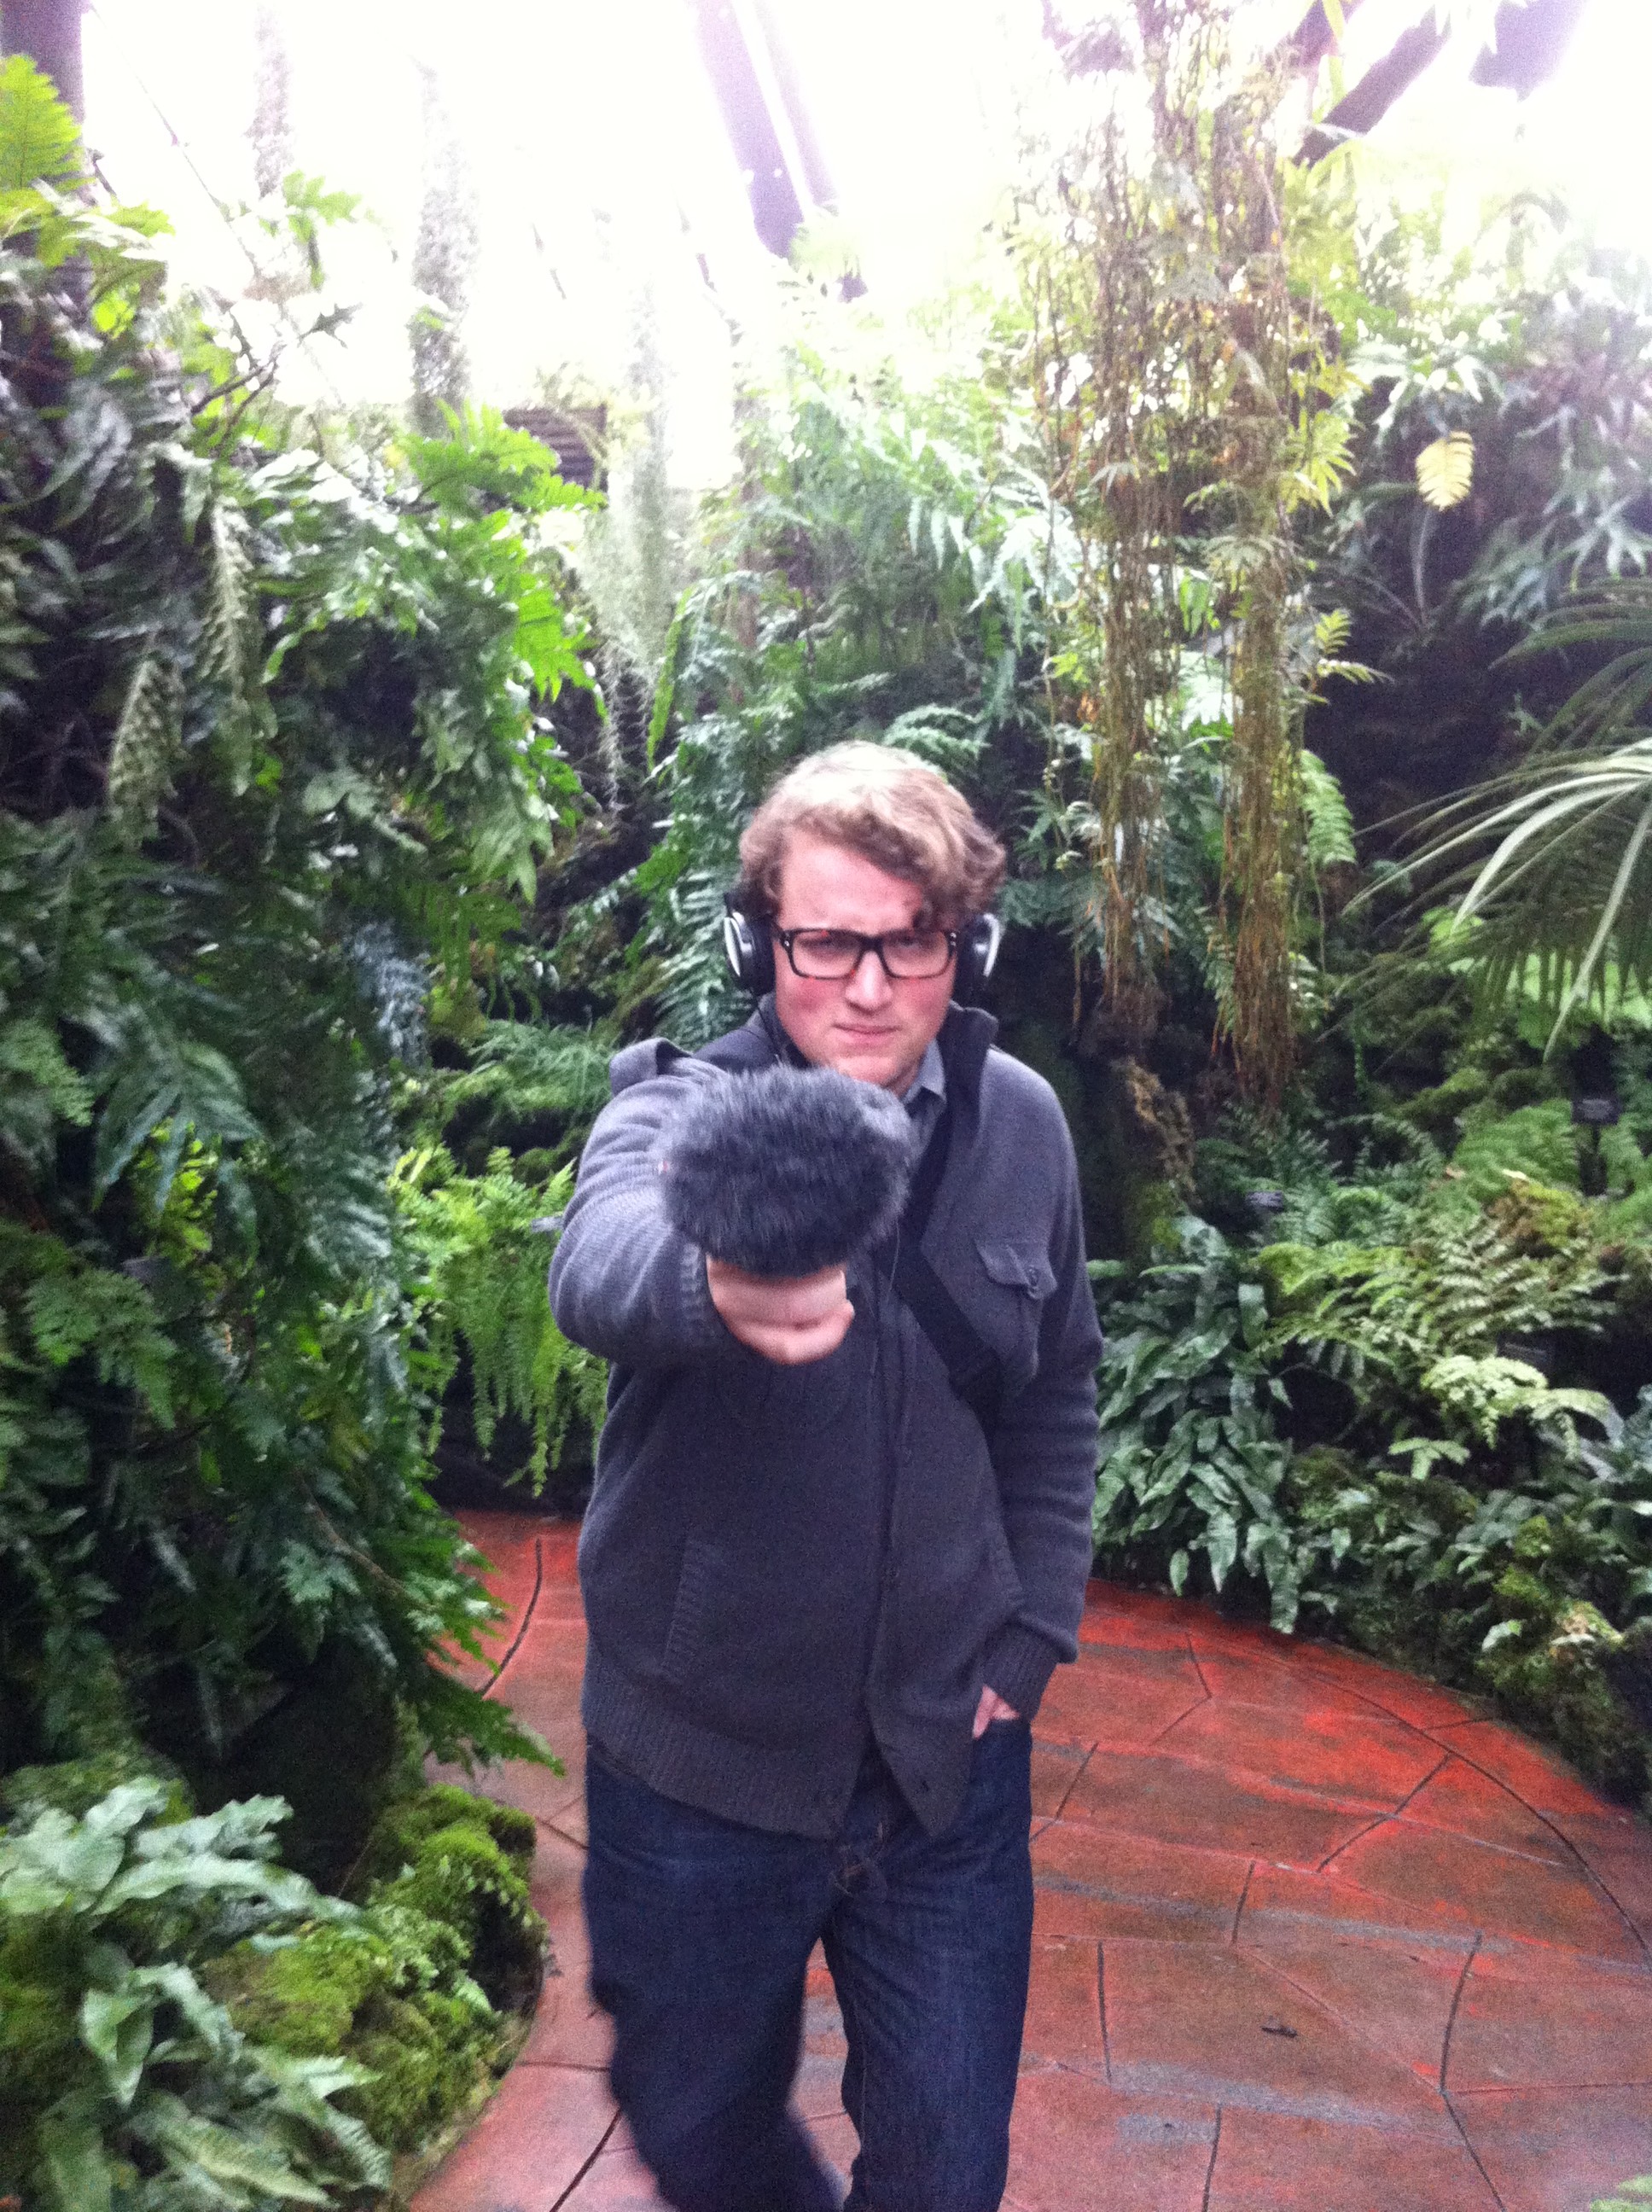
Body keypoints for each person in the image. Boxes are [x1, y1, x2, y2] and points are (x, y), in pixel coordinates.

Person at [548, 742, 1102, 2212]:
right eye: (824, 942)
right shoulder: (680, 1112)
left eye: (910, 942)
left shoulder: (1024, 1128)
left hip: (943, 1769)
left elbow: (1057, 1386)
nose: (867, 986)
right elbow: (599, 1262)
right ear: (761, 943)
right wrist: (717, 1278)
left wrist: (1030, 1635)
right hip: (699, 1768)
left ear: (964, 945)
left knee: (945, 2167)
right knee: (694, 2121)